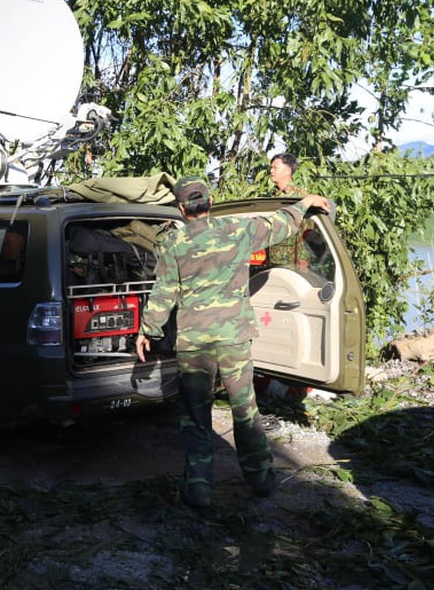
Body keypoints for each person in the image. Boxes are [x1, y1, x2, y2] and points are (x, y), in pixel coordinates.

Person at [135, 175, 331, 510]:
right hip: (234, 340)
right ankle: (262, 482)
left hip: (194, 344)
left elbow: (163, 292)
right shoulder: (238, 231)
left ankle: (198, 492)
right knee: (245, 411)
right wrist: (304, 202)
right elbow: (282, 223)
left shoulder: (174, 243)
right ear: (209, 203)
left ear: (182, 209)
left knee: (196, 418)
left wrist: (148, 331)